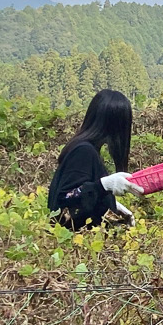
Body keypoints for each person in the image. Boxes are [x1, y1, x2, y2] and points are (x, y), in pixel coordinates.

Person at [47, 90, 140, 231]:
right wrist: (103, 186)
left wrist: (112, 204)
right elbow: (64, 202)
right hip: (75, 245)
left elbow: (81, 195)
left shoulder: (83, 148)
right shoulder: (84, 152)